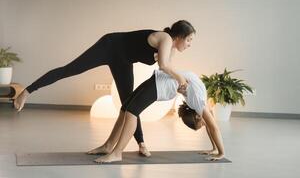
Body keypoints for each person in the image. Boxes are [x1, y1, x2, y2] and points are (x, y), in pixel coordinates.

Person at [13, 20, 196, 157]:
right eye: (189, 40)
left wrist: (180, 88)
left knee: (129, 101)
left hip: (124, 61)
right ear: (179, 36)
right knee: (69, 70)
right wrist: (180, 78)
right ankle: (26, 92)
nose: (189, 45)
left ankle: (139, 143)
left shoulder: (170, 48)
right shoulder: (165, 38)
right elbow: (164, 66)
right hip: (110, 46)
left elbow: (165, 71)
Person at [93, 69, 225, 163]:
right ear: (197, 117)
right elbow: (214, 128)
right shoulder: (198, 101)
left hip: (157, 79)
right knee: (130, 111)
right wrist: (221, 153)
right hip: (159, 85)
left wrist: (214, 148)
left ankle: (109, 147)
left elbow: (210, 125)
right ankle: (116, 152)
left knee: (126, 109)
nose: (205, 124)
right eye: (201, 124)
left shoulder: (199, 103)